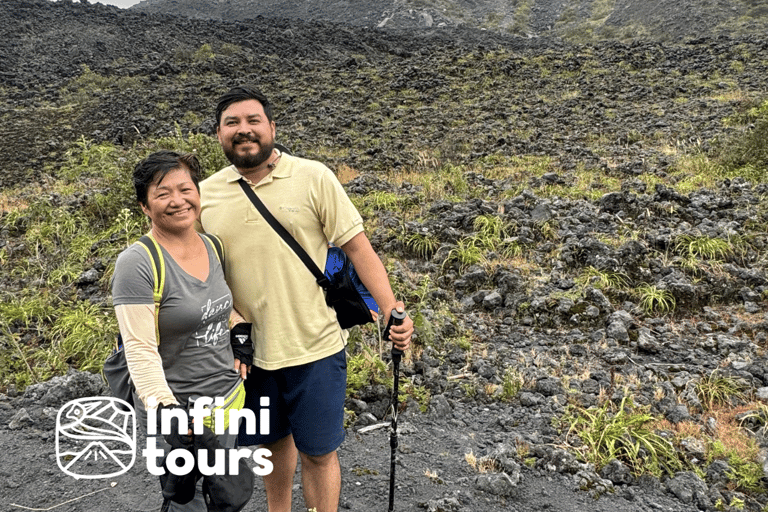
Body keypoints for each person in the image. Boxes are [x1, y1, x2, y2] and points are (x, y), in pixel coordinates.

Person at [198, 86, 414, 512]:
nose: (244, 131)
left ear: (272, 128)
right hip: (252, 354)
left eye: (253, 121)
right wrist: (232, 324)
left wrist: (393, 312)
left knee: (318, 452)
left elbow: (358, 248)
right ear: (219, 135)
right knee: (272, 444)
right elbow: (202, 276)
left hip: (315, 345)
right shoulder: (205, 194)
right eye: (232, 124)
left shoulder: (313, 177)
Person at [111, 150, 254, 512]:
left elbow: (221, 306)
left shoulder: (213, 245)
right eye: (162, 193)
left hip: (225, 400)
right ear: (145, 206)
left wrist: (239, 333)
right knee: (185, 501)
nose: (177, 201)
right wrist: (167, 411)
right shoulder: (138, 262)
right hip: (177, 410)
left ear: (198, 192)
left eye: (185, 188)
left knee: (226, 497)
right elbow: (139, 347)